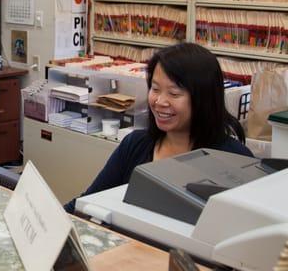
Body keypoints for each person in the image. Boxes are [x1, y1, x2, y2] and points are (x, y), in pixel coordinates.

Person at [64, 43, 253, 214]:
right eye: (155, 89)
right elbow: (86, 203)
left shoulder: (235, 159)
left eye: (174, 93)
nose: (160, 102)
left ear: (203, 99)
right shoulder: (135, 144)